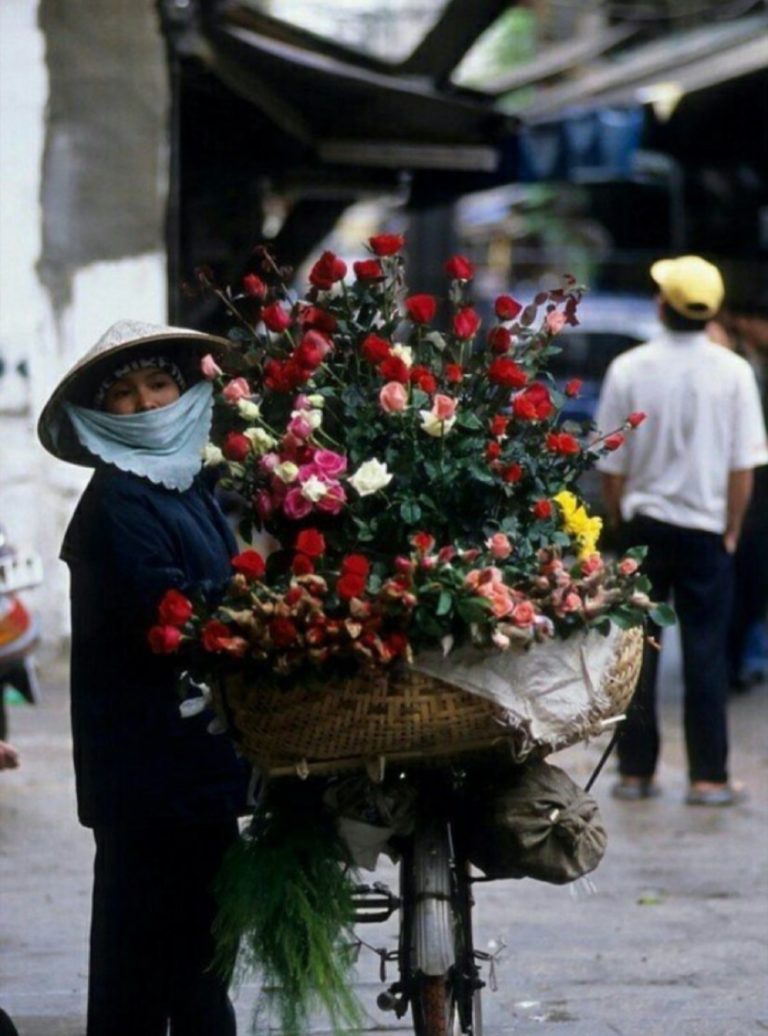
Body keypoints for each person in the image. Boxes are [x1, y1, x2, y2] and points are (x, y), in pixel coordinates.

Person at [38, 320, 249, 1035]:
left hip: (191, 767)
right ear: (102, 413)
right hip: (149, 774)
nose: (146, 403)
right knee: (164, 966)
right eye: (123, 394)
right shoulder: (121, 498)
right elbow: (171, 612)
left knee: (183, 958)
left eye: (158, 384)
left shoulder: (188, 484)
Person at [595, 256, 768, 807]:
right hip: (706, 532)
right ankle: (708, 778)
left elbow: (611, 467)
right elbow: (743, 469)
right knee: (707, 654)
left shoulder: (628, 368)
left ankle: (635, 773)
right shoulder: (734, 372)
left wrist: (619, 522)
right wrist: (732, 528)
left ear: (662, 306)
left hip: (643, 529)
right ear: (711, 312)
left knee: (637, 656)